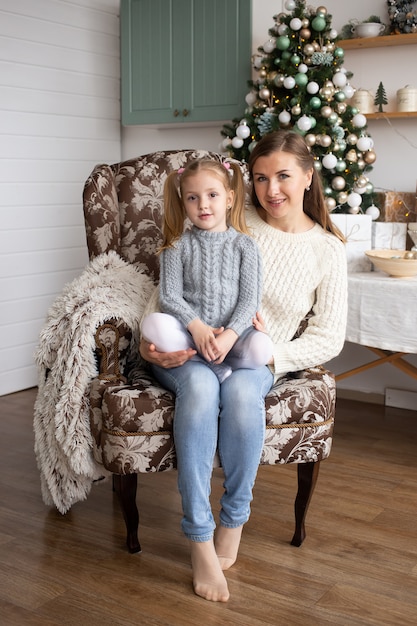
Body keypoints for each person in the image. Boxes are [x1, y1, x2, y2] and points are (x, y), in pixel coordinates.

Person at [139, 130, 348, 603]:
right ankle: (197, 534)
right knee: (199, 390)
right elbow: (161, 298)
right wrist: (149, 347)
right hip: (191, 350)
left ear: (308, 177)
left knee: (238, 393)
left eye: (283, 177)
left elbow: (329, 336)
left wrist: (271, 351)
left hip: (256, 354)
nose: (271, 190)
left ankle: (233, 519)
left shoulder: (327, 250)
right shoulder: (230, 215)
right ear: (245, 185)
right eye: (260, 178)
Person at [141, 158, 273, 383]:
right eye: (193, 198)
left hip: (233, 339)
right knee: (152, 324)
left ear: (229, 199)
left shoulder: (245, 246)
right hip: (191, 336)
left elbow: (249, 301)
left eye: (212, 195)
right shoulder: (176, 246)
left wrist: (230, 335)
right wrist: (197, 327)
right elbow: (169, 297)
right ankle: (209, 365)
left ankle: (223, 360)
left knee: (262, 347)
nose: (203, 204)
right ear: (184, 203)